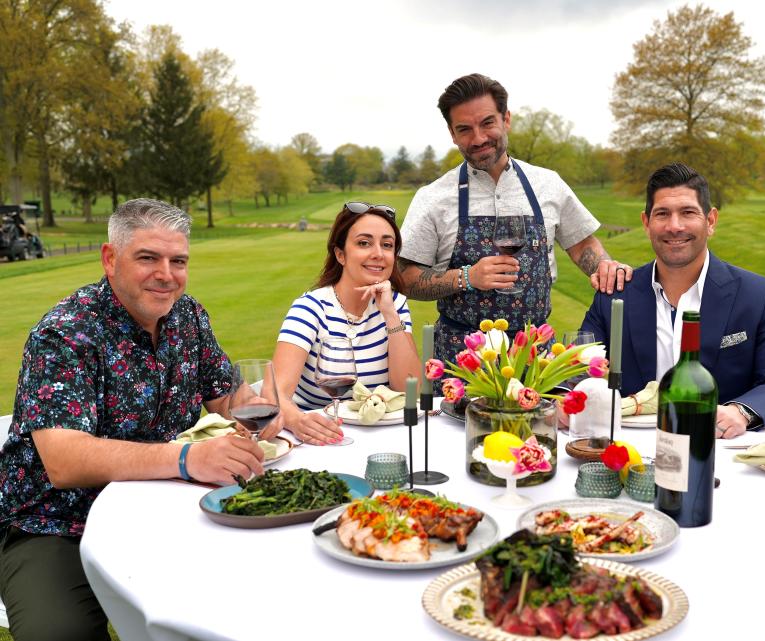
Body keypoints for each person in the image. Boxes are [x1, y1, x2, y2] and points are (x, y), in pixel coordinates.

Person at [0, 198, 264, 641]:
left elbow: (230, 397)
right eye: (148, 257)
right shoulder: (64, 333)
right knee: (59, 632)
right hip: (57, 523)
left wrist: (277, 412)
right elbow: (64, 461)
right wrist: (187, 459)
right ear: (110, 258)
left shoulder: (188, 316)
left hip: (162, 509)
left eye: (178, 261)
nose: (166, 274)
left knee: (244, 594)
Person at [398, 73, 632, 367]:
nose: (479, 138)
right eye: (464, 129)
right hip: (462, 364)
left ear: (506, 119)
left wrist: (604, 268)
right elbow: (405, 278)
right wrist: (466, 277)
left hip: (537, 361)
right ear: (452, 134)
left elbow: (582, 243)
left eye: (487, 123)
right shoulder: (433, 197)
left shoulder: (548, 184)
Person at [580, 163, 765, 439]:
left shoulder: (758, 296)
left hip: (719, 455)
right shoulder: (615, 295)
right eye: (662, 214)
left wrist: (741, 412)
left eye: (687, 213)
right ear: (646, 223)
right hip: (627, 451)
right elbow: (573, 374)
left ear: (710, 221)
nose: (674, 226)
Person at [273, 202, 419, 444]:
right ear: (340, 254)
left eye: (387, 245)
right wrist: (297, 421)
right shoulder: (311, 308)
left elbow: (409, 390)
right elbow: (276, 394)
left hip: (381, 436)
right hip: (318, 436)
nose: (378, 254)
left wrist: (390, 314)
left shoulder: (396, 304)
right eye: (364, 243)